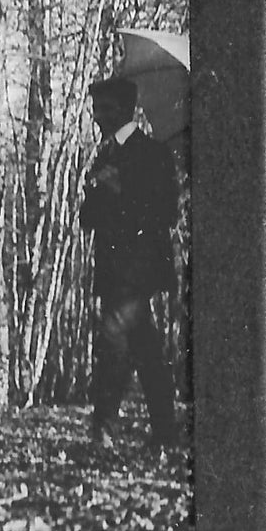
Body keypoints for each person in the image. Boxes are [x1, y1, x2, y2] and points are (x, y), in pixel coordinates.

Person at [80, 76, 181, 451]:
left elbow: (166, 211)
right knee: (145, 349)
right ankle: (166, 430)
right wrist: (94, 193)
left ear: (121, 109)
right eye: (95, 108)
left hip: (138, 271)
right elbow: (88, 220)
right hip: (112, 270)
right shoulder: (103, 156)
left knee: (112, 343)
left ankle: (101, 429)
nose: (96, 116)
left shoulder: (153, 153)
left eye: (102, 108)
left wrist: (120, 190)